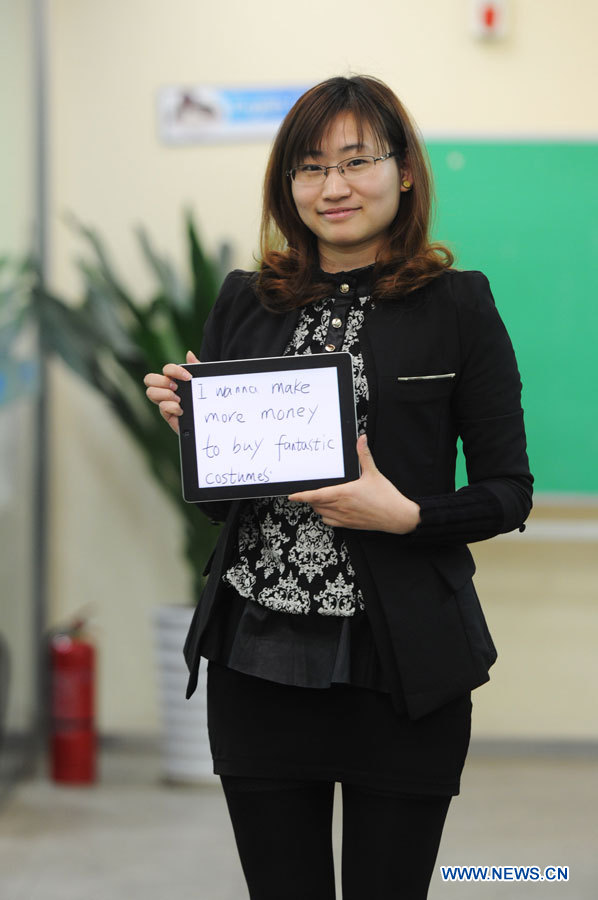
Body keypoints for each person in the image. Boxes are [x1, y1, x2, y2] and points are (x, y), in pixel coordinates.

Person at [144, 75, 532, 900]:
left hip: (401, 668)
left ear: (404, 173)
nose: (334, 186)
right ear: (288, 186)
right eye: (310, 166)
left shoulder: (458, 306)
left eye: (357, 161)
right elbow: (224, 505)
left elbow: (508, 490)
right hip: (258, 657)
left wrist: (408, 515)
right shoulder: (247, 301)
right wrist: (199, 441)